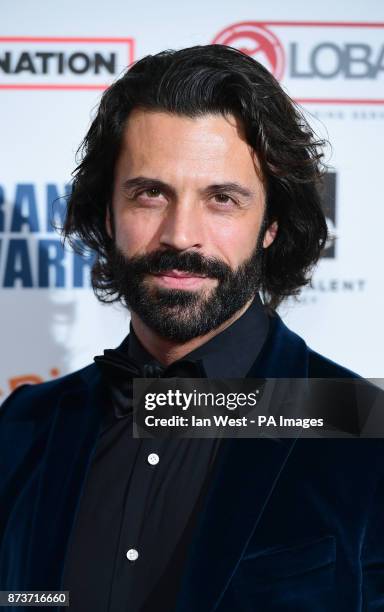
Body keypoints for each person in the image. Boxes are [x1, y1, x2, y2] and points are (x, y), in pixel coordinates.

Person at [0, 45, 383, 612]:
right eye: (150, 193)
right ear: (107, 212)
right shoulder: (25, 426)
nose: (181, 235)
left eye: (222, 199)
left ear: (271, 223)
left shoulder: (361, 431)